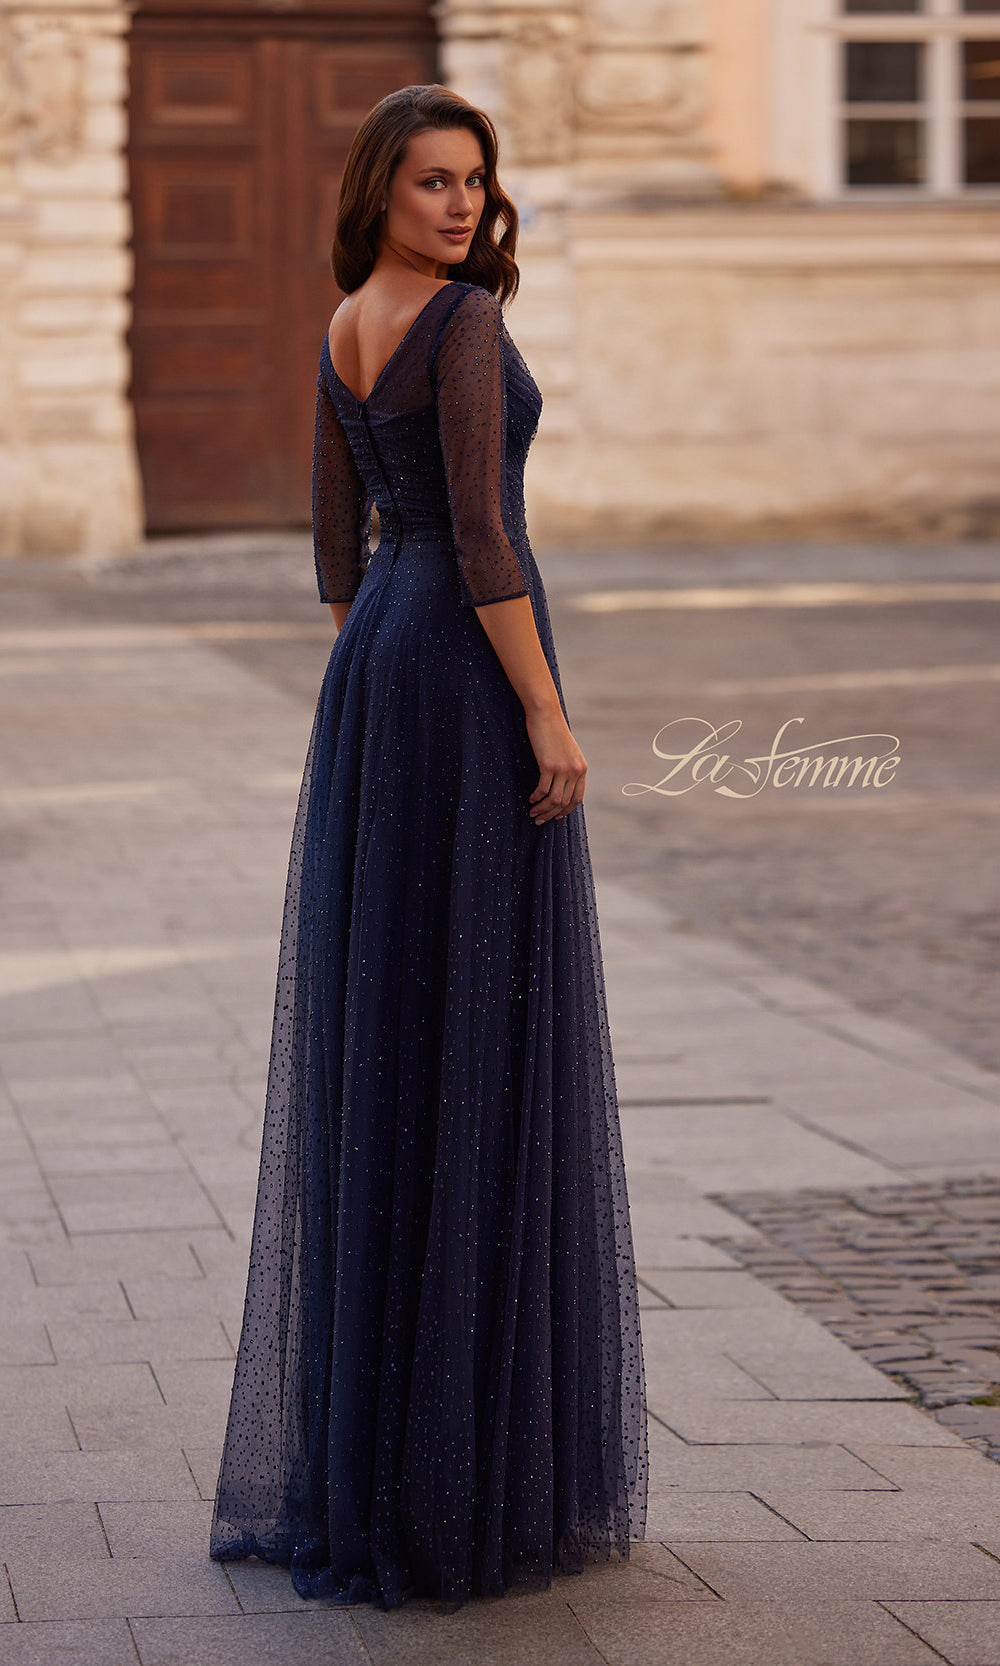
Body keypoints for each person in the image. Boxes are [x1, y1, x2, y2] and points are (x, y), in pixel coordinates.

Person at [209, 82, 647, 1615]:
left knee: (393, 1030)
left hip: (380, 674)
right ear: (379, 192)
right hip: (462, 669)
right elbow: (482, 532)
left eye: (474, 180)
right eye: (431, 182)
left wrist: (371, 678)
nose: (461, 205)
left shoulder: (345, 320)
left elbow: (340, 551)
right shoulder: (457, 323)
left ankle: (385, 1458)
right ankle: (461, 1480)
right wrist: (545, 711)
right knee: (475, 1029)